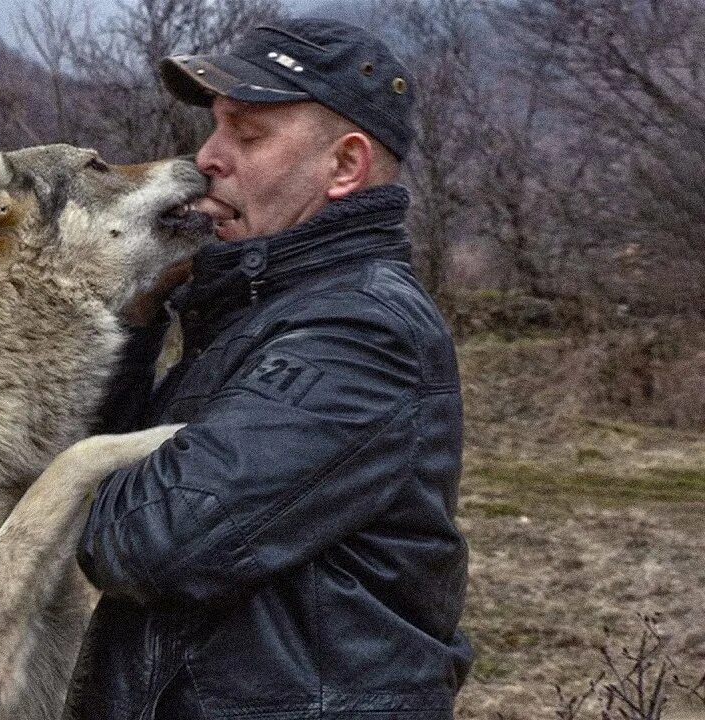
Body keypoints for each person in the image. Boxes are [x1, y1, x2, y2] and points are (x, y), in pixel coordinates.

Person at [72, 17, 473, 720]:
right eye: (215, 127)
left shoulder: (359, 331)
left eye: (248, 134)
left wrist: (72, 494)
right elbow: (90, 465)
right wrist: (135, 315)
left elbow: (149, 543)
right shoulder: (258, 310)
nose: (207, 158)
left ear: (344, 167)